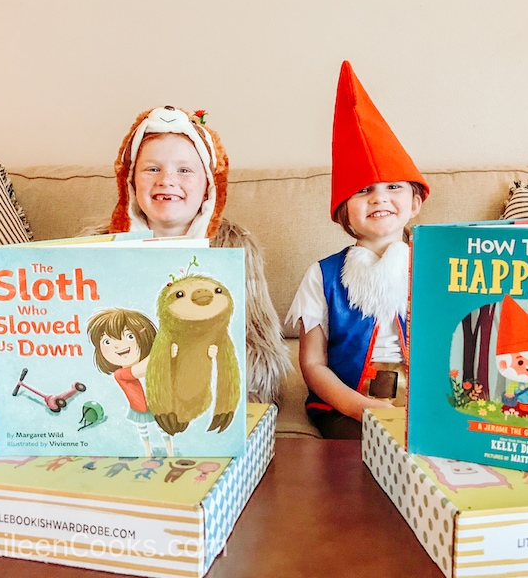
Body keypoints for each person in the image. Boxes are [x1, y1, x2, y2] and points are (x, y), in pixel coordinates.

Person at [89, 106, 291, 404]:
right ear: (130, 180)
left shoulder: (235, 247)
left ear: (209, 183)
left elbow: (259, 347)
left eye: (184, 170)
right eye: (152, 169)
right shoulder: (96, 248)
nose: (166, 180)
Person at [286, 61, 430, 439]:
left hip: (427, 404)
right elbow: (313, 363)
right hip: (345, 406)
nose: (379, 197)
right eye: (363, 190)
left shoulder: (438, 267)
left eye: (393, 187)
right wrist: (356, 406)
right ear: (342, 211)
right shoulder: (322, 276)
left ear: (415, 203)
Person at [86, 307, 174, 455]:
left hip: (159, 403)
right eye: (107, 341)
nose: (118, 345)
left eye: (129, 336)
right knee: (144, 430)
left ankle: (170, 452)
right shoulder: (120, 374)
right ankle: (148, 452)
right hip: (140, 407)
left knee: (163, 427)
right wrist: (164, 349)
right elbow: (145, 367)